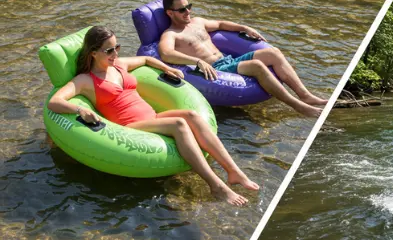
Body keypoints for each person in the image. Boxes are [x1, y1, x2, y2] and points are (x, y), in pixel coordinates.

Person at [48, 26, 259, 206]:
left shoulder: (119, 66)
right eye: (109, 50)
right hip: (130, 127)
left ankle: (234, 172)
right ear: (93, 53)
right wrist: (80, 110)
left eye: (117, 47)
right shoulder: (86, 80)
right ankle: (216, 186)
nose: (116, 54)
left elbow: (147, 59)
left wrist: (167, 68)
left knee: (192, 115)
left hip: (152, 117)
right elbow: (55, 101)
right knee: (179, 124)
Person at [157, 0, 326, 118]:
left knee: (273, 53)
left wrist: (244, 28)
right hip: (216, 70)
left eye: (189, 6)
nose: (188, 12)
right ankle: (297, 105)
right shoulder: (171, 34)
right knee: (257, 66)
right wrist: (197, 61)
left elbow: (221, 24)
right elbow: (166, 53)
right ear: (170, 13)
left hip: (227, 60)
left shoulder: (198, 22)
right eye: (182, 10)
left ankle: (306, 96)